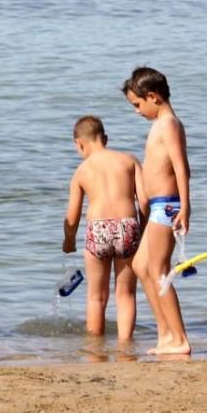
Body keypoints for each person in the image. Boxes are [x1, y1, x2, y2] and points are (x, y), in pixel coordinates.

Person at [122, 67, 192, 356]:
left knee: (159, 270)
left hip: (168, 205)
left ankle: (180, 339)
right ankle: (165, 334)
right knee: (140, 266)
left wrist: (186, 206)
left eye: (138, 104)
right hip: (156, 207)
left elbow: (181, 167)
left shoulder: (169, 125)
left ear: (153, 96)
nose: (137, 111)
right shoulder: (159, 125)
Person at [62, 117, 146, 344]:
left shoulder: (81, 171)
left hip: (98, 229)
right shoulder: (130, 161)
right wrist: (144, 231)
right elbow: (144, 202)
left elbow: (72, 217)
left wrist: (69, 241)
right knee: (126, 294)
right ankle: (125, 346)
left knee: (96, 297)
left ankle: (95, 348)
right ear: (105, 139)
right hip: (127, 226)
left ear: (79, 144)